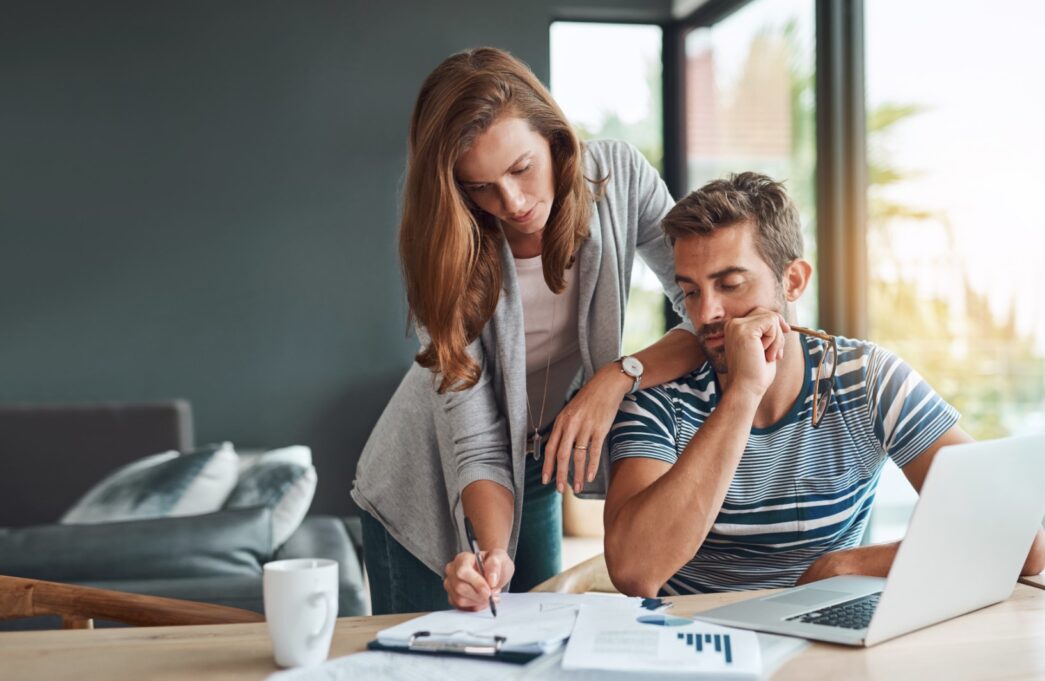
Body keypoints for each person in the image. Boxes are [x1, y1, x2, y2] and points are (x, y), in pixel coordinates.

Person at [351, 47, 704, 614]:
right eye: (479, 187)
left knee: (539, 642)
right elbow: (473, 437)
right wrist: (490, 555)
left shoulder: (619, 180)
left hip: (536, 462)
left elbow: (703, 307)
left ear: (554, 139)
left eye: (520, 169)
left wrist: (619, 376)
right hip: (427, 482)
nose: (511, 203)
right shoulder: (445, 253)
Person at [604, 171, 1045, 596]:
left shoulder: (866, 379)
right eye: (692, 292)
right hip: (697, 645)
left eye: (731, 284)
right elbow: (634, 572)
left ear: (792, 281)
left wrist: (846, 565)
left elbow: (1022, 543)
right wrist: (743, 394)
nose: (706, 314)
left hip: (824, 641)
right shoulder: (658, 397)